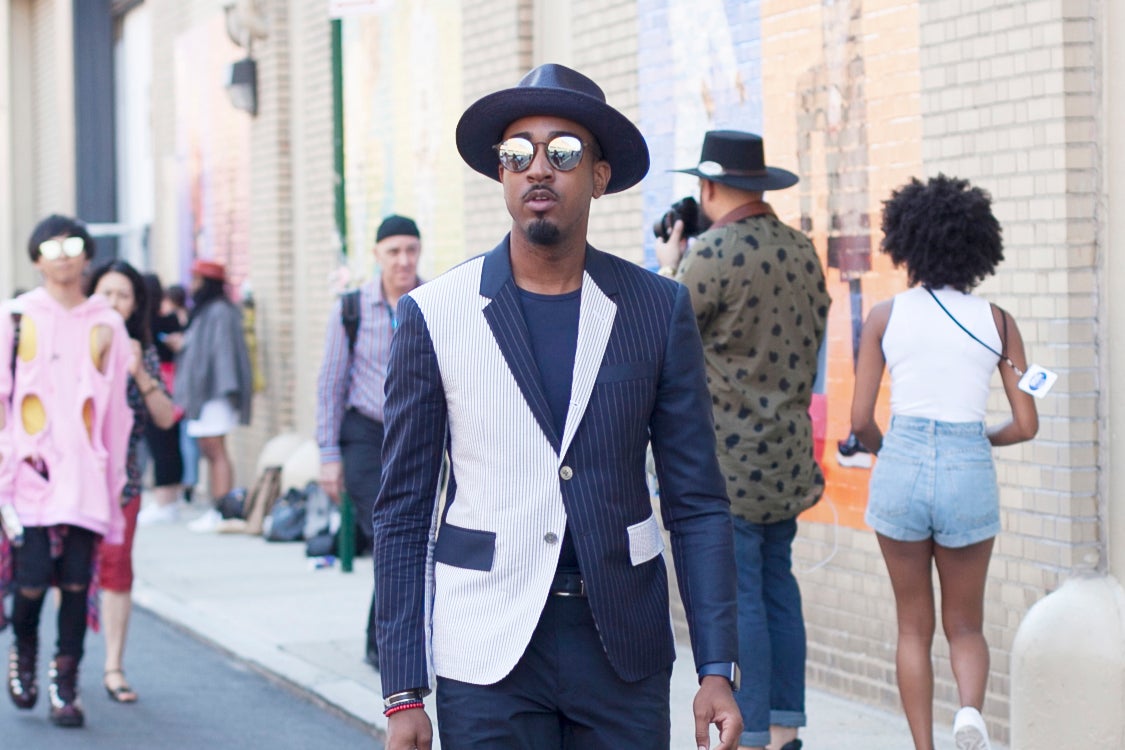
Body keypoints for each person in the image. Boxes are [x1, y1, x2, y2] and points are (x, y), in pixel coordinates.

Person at [372, 63, 742, 750]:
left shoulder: (656, 309)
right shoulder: (434, 314)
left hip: (620, 645)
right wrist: (402, 690)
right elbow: (402, 512)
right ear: (502, 174)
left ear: (598, 175)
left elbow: (695, 500)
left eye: (563, 152)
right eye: (518, 153)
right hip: (486, 647)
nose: (538, 167)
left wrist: (716, 666)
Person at [849, 175, 1038, 750]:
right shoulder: (999, 322)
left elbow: (858, 422)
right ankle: (970, 716)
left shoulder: (884, 316)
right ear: (979, 246)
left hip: (901, 464)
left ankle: (924, 747)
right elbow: (1027, 424)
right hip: (967, 466)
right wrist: (978, 441)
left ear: (907, 242)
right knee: (966, 625)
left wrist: (891, 450)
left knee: (913, 625)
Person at [657, 130, 831, 750]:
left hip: (728, 467)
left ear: (709, 186)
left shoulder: (713, 254)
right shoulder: (802, 250)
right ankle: (784, 728)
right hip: (788, 459)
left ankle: (751, 732)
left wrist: (669, 263)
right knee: (778, 588)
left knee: (744, 598)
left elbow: (661, 333)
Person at [0, 215, 134, 727]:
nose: (62, 254)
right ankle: (25, 652)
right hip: (27, 474)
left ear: (87, 255)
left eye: (73, 244)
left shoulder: (108, 323)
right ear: (36, 258)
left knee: (77, 581)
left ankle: (66, 685)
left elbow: (117, 416)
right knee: (32, 579)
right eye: (51, 247)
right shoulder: (16, 318)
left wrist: (115, 475)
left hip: (86, 475)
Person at [315, 213, 423, 670]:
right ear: (377, 255)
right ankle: (387, 644)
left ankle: (379, 640)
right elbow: (330, 385)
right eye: (393, 251)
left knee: (409, 539)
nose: (403, 260)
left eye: (411, 250)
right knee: (388, 535)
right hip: (364, 434)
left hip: (415, 435)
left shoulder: (432, 301)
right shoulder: (352, 309)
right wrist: (327, 456)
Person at [88, 260, 178, 704]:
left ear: (135, 304)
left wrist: (139, 374)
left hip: (122, 484)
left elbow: (165, 417)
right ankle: (61, 663)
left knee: (117, 571)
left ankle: (113, 666)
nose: (113, 302)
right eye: (106, 292)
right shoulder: (72, 344)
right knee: (62, 573)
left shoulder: (143, 352)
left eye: (123, 295)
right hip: (69, 483)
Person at [172, 259, 253, 531]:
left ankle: (223, 511)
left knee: (216, 449)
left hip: (215, 392)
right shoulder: (205, 311)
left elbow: (222, 354)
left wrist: (224, 388)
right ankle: (217, 507)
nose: (192, 286)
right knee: (208, 450)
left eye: (196, 281)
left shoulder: (220, 311)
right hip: (203, 393)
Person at [137, 273, 186, 525]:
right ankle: (171, 498)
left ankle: (164, 500)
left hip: (158, 387)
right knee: (171, 442)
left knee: (159, 442)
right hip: (176, 385)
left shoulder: (146, 323)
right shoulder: (171, 320)